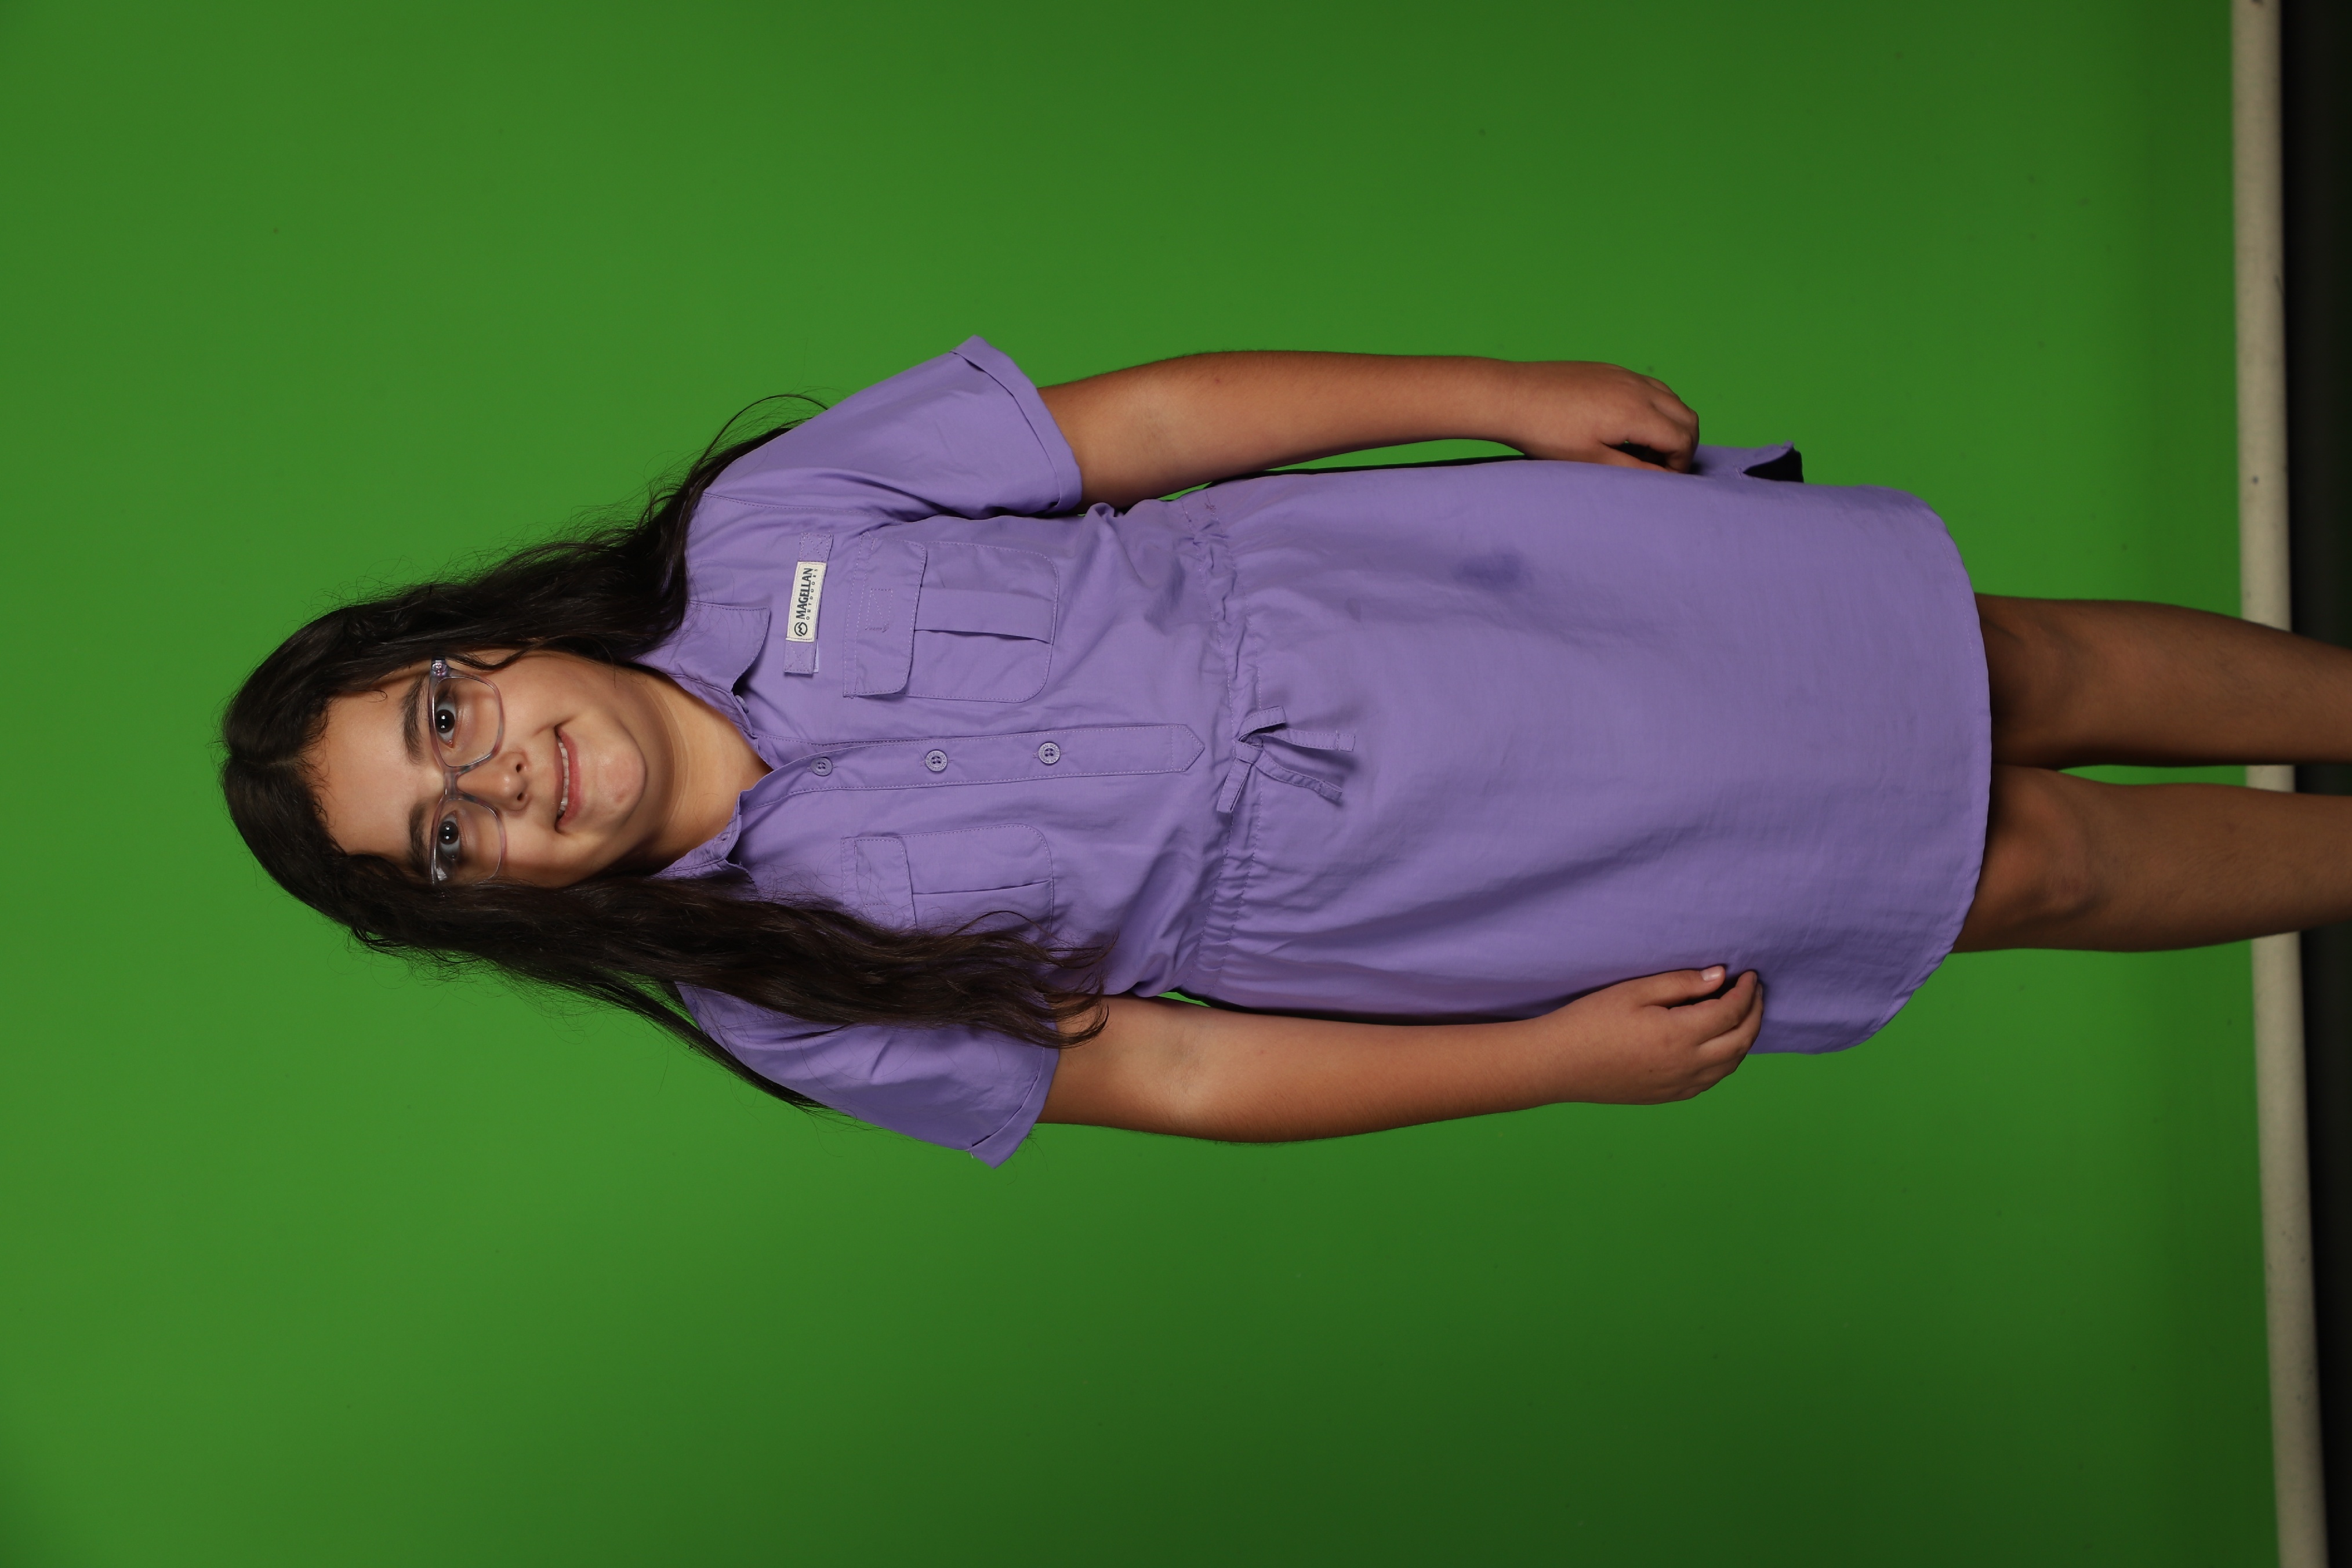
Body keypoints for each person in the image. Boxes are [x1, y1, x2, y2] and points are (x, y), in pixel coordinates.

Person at [222, 339, 2352, 1164]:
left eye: (444, 723)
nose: (500, 784)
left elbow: (1145, 428)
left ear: (478, 643)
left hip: (1433, 596)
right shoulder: (775, 999)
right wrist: (1548, 1059)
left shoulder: (774, 521)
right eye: (446, 841)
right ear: (491, 907)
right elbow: (1175, 1074)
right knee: (2017, 871)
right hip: (1433, 880)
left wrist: (1493, 396)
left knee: (2003, 660)